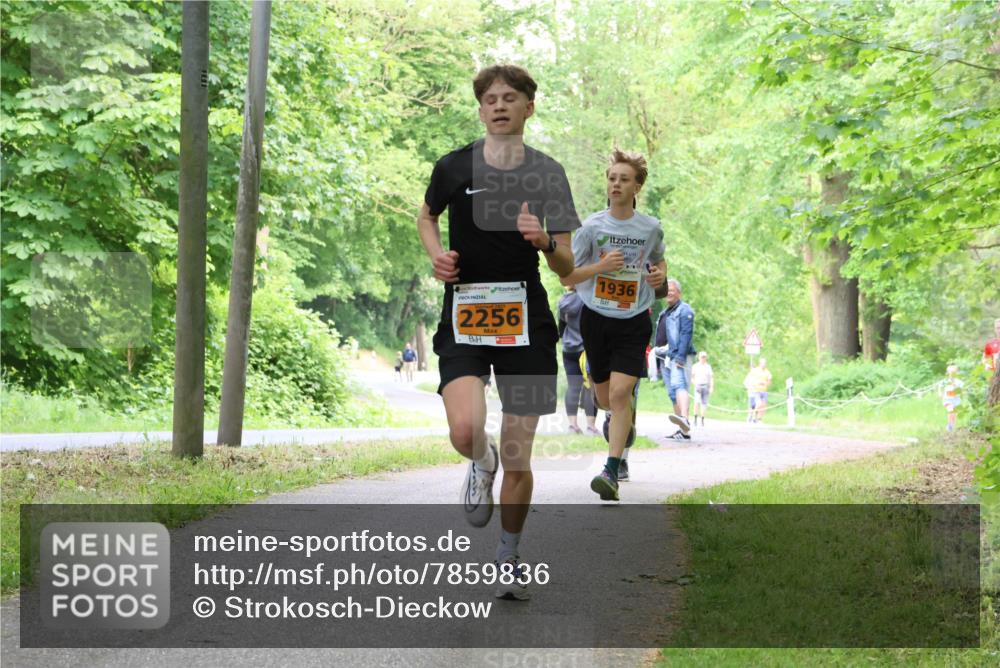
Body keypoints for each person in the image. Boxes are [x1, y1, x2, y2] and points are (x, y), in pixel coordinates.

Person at [416, 64, 579, 600]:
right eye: (490, 99)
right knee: (465, 431)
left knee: (518, 455)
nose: (499, 105)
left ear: (529, 107)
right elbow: (426, 216)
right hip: (465, 311)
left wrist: (544, 242)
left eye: (510, 97)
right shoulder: (453, 166)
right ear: (481, 109)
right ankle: (479, 463)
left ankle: (508, 555)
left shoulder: (549, 173)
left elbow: (566, 265)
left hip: (526, 319)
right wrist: (438, 256)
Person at [561, 149, 667, 501]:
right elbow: (568, 277)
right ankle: (621, 418)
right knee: (605, 400)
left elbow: (659, 264)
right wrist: (601, 267)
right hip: (596, 318)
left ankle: (611, 470)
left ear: (637, 187)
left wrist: (659, 277)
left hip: (634, 319)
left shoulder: (650, 228)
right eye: (612, 178)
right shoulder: (591, 228)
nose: (616, 184)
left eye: (624, 179)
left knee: (620, 395)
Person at [653, 279, 695, 440]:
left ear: (679, 293)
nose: (669, 293)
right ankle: (683, 431)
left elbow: (686, 334)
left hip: (678, 356)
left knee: (679, 385)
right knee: (672, 393)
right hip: (665, 357)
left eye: (672, 290)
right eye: (667, 290)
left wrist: (680, 356)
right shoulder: (665, 312)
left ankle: (684, 418)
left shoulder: (684, 310)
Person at [558, 286, 599, 435]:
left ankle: (572, 425)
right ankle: (591, 426)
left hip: (569, 349)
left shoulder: (563, 301)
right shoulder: (588, 298)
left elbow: (561, 327)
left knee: (573, 387)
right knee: (590, 386)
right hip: (586, 349)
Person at [743, 358, 773, 423]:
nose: (763, 364)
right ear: (759, 363)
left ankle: (759, 418)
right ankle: (752, 415)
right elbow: (749, 379)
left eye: (765, 363)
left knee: (763, 405)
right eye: (762, 363)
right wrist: (751, 385)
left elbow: (769, 381)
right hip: (755, 390)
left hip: (764, 391)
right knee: (756, 404)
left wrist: (765, 383)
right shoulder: (755, 370)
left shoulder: (767, 372)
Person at [690, 351, 714, 427]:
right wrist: (695, 384)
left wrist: (711, 387)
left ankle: (702, 419)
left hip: (706, 386)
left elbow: (711, 378)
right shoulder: (695, 366)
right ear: (699, 358)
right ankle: (695, 418)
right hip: (698, 385)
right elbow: (692, 377)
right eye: (702, 357)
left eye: (704, 357)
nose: (703, 358)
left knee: (704, 403)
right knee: (697, 402)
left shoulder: (708, 367)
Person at [941, 364, 963, 432]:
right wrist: (940, 393)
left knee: (954, 414)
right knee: (950, 410)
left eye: (953, 372)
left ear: (957, 373)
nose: (951, 374)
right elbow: (941, 388)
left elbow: (959, 391)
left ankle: (952, 425)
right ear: (948, 373)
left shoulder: (960, 382)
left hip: (956, 400)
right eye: (950, 372)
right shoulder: (945, 381)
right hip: (947, 400)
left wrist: (954, 385)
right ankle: (949, 425)